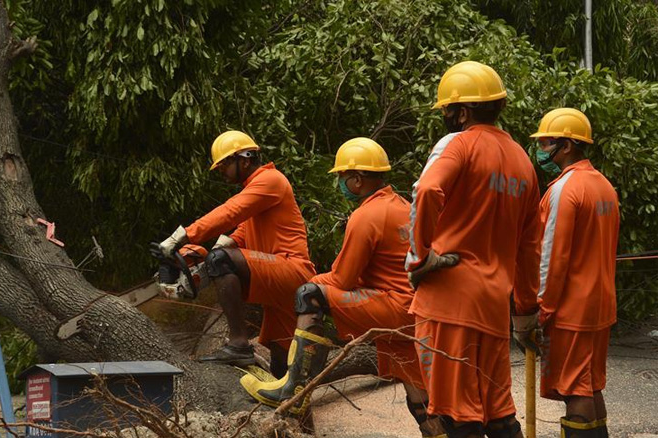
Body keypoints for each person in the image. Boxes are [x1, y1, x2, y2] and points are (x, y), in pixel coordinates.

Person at [239, 138, 444, 436]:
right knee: (419, 396)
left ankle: (293, 390)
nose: (340, 183)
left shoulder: (366, 215)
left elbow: (344, 279)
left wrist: (311, 281)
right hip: (417, 309)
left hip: (395, 307)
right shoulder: (402, 206)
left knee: (311, 294)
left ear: (357, 179)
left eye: (341, 177)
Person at [406, 60, 542, 438]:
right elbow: (530, 247)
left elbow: (427, 190)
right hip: (494, 305)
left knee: (456, 417)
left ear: (462, 111)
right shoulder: (523, 161)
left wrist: (420, 257)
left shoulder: (458, 145)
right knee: (499, 416)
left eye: (448, 110)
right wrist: (526, 310)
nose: (446, 118)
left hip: (449, 305)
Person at [158, 130, 315, 376]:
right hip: (277, 279)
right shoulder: (257, 192)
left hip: (291, 270)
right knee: (280, 359)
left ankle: (239, 344)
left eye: (224, 165)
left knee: (221, 260)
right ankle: (290, 408)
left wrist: (182, 236)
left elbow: (230, 211)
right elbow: (242, 231)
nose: (221, 171)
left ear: (244, 159)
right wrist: (206, 258)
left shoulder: (270, 180)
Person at [528, 108, 619, 438]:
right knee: (590, 385)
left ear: (566, 146)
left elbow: (551, 256)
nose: (540, 150)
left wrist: (542, 308)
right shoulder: (604, 186)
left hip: (571, 311)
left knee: (575, 390)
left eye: (546, 143)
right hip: (600, 306)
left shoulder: (564, 190)